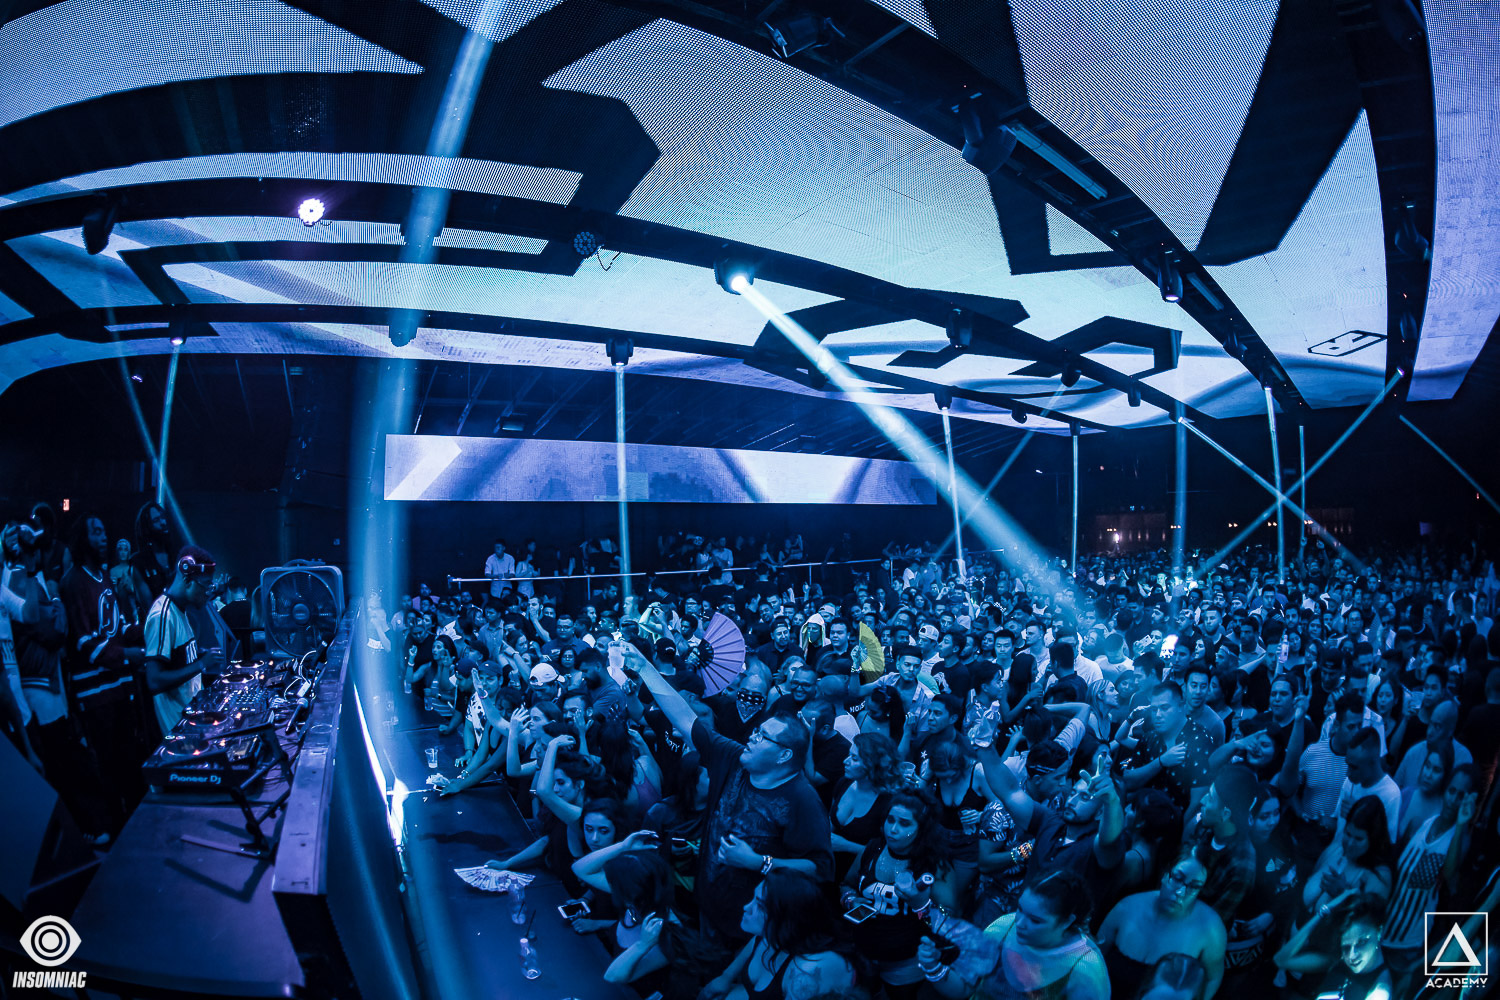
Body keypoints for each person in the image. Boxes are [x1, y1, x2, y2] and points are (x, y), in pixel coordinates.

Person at [627, 643, 833, 945]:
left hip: (751, 930)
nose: (752, 737)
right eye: (757, 731)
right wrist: (645, 668)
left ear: (784, 755)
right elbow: (684, 718)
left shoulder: (802, 799)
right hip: (705, 906)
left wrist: (759, 862)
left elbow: (820, 869)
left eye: (763, 737)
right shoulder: (734, 758)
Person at [919, 869, 1111, 1000]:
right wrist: (933, 967)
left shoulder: (1085, 969)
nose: (1018, 923)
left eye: (1035, 920)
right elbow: (964, 989)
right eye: (1020, 909)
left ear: (1067, 921)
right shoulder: (1003, 928)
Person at [1380, 765, 1478, 989]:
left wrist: (1461, 823)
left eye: (1461, 795)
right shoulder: (1424, 823)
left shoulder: (1460, 840)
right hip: (1382, 928)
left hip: (1407, 947)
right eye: (1451, 791)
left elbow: (1449, 873)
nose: (1453, 800)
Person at [700, 869, 858, 1000]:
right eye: (753, 899)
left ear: (787, 919)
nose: (746, 908)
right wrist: (726, 977)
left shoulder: (807, 972)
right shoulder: (771, 935)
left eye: (760, 906)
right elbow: (756, 942)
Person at [1097, 854, 1227, 999]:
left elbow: (1212, 979)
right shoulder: (1126, 907)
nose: (1180, 892)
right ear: (1165, 875)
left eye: (1194, 887)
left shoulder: (1211, 930)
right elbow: (1096, 954)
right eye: (1177, 878)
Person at [142, 546, 223, 737]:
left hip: (191, 723)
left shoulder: (181, 611)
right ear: (187, 580)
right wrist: (201, 664)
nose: (208, 593)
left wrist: (197, 657)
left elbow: (177, 663)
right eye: (205, 585)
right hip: (179, 730)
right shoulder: (162, 616)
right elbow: (154, 680)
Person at [1274, 891, 1391, 1000]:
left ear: (1379, 932)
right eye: (1346, 946)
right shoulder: (1339, 961)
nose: (1352, 955)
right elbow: (1281, 960)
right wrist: (1324, 911)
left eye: (1362, 942)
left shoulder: (1379, 991)